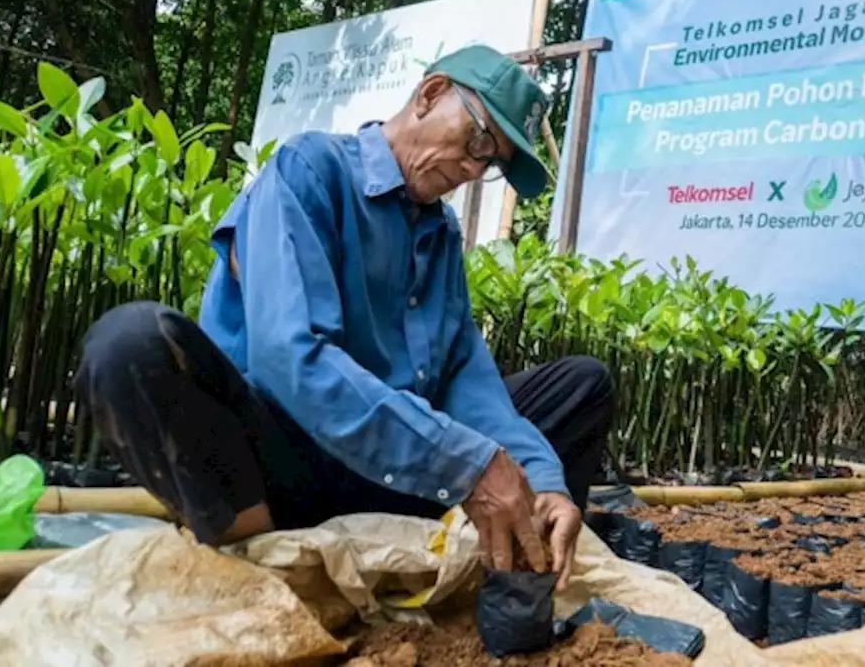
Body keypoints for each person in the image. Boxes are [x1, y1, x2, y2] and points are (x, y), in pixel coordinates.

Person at [74, 44, 615, 591]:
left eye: (491, 162)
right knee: (129, 343)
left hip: (401, 470)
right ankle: (262, 560)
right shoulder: (309, 170)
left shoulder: (440, 232)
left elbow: (465, 379)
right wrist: (463, 463)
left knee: (580, 384)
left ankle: (520, 569)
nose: (474, 168)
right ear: (430, 94)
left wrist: (540, 477)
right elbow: (291, 359)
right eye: (478, 141)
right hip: (289, 463)